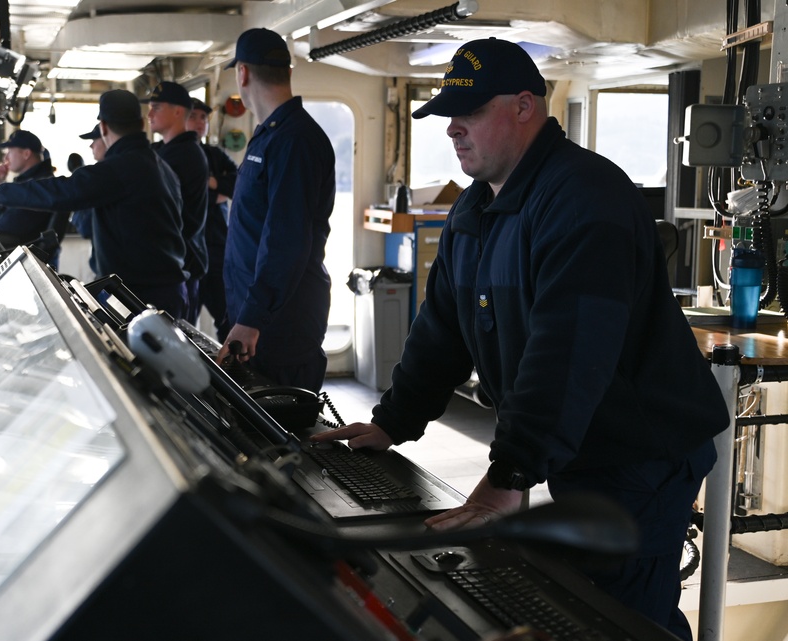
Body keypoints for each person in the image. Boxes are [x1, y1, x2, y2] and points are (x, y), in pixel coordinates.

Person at [311, 38, 728, 640]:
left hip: (640, 452)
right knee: (598, 606)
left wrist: (510, 475)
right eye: (449, 115)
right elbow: (441, 329)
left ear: (525, 106)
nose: (453, 128)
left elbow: (569, 349)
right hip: (576, 446)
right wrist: (391, 422)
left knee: (617, 618)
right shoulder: (475, 210)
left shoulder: (585, 196)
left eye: (471, 112)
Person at [0, 90, 188, 318]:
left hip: (140, 297)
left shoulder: (118, 169)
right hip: (168, 288)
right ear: (141, 123)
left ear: (104, 127)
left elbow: (59, 192)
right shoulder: (161, 167)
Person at [214, 28, 336, 394]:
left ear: (243, 73)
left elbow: (286, 238)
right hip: (260, 318)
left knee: (284, 434)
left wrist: (252, 319)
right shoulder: (270, 134)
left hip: (281, 323)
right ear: (287, 72)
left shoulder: (294, 140)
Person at [146, 81, 209, 325]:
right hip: (171, 264)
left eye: (157, 108)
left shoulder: (185, 155)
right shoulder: (164, 151)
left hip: (181, 266)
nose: (150, 114)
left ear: (178, 111)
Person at [187, 97, 237, 341]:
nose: (199, 122)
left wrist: (215, 184)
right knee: (182, 324)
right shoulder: (170, 156)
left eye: (203, 118)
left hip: (216, 249)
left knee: (228, 321)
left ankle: (233, 375)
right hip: (186, 253)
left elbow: (242, 182)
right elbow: (184, 199)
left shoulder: (214, 155)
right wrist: (216, 194)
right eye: (193, 116)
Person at [0, 129, 67, 267]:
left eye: (9, 152)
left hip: (31, 266)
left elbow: (3, 226)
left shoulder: (37, 189)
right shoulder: (26, 183)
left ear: (26, 153)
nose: (6, 159)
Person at [69, 124, 107, 275]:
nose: (91, 145)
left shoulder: (102, 179)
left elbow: (84, 227)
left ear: (107, 138)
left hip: (113, 273)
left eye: (95, 140)